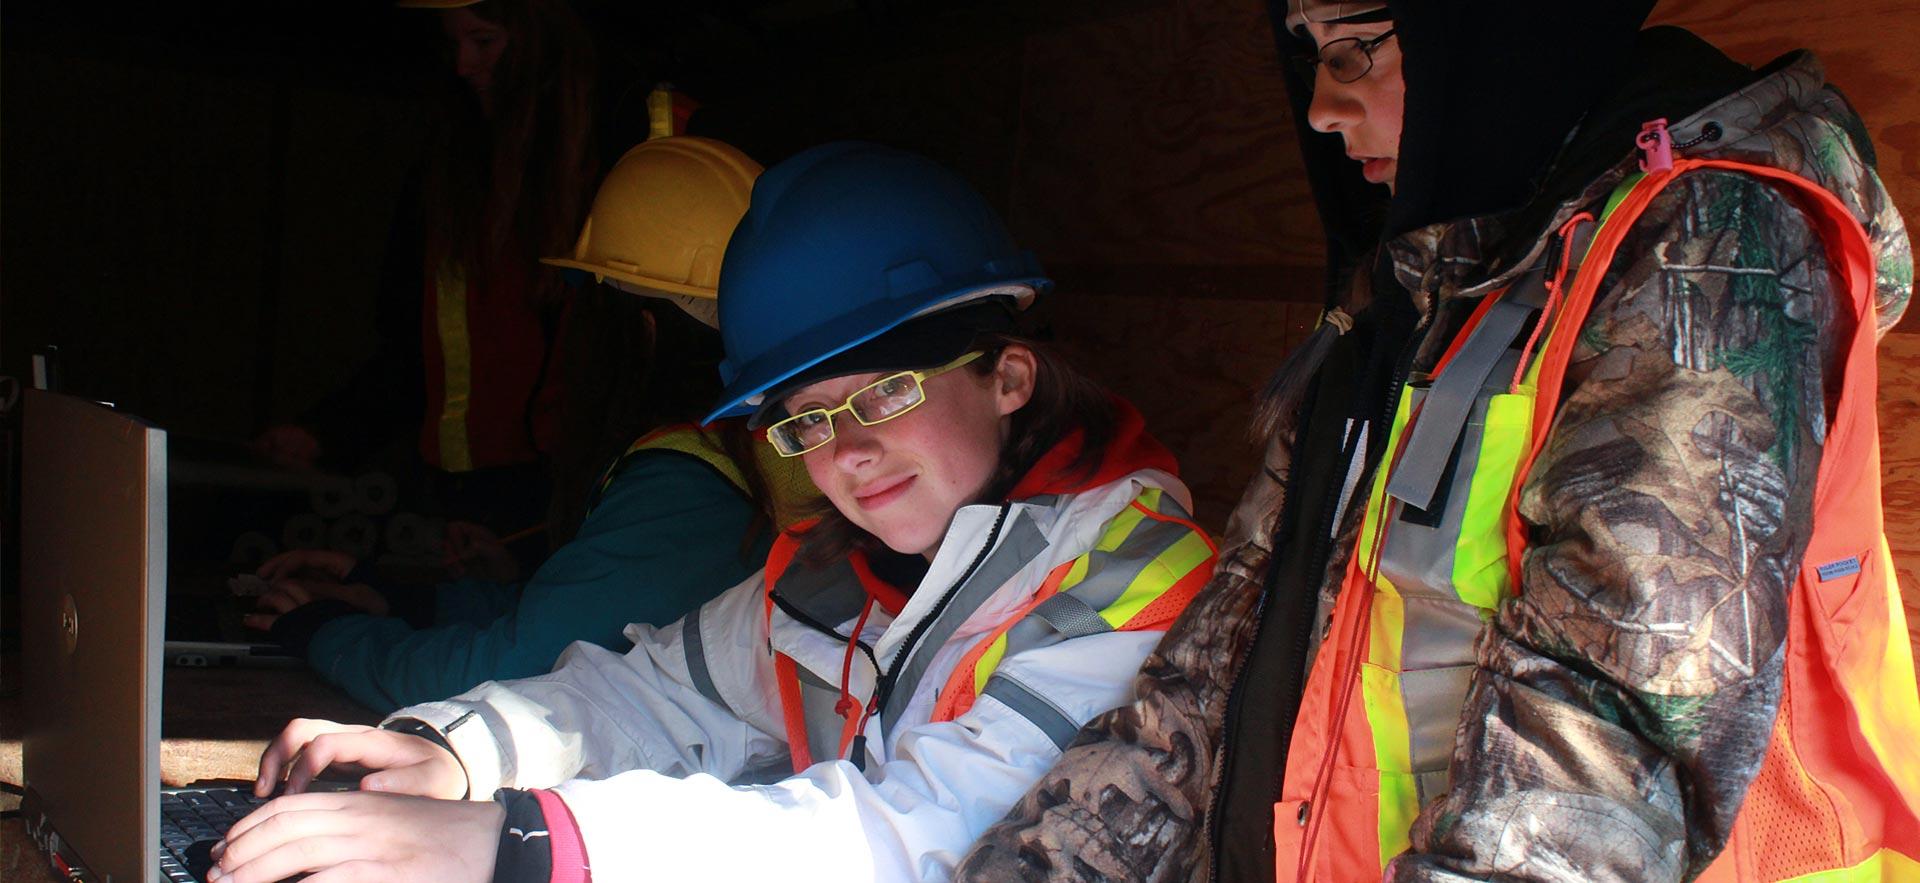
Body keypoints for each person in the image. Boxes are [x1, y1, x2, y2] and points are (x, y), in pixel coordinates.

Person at [960, 2, 1920, 881]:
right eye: (1308, 59)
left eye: (1354, 49)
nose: (1324, 110)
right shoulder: (1409, 295)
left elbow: (1604, 739)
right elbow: (1205, 685)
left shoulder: (1704, 240)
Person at [211, 143, 1218, 882]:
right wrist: (457, 752)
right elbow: (651, 695)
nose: (849, 451)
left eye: (886, 394)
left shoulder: (1135, 584)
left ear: (1009, 377)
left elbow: (934, 833)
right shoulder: (829, 571)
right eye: (805, 423)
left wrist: (525, 840)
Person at [240, 137, 819, 714]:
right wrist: (397, 597)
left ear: (640, 332)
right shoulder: (759, 448)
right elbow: (582, 615)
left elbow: (511, 674)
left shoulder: (686, 481)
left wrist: (325, 633)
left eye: (583, 313)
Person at [255, 0, 599, 549]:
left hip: (565, 501)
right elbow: (410, 353)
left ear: (541, 44)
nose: (463, 65)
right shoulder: (444, 179)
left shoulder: (606, 175)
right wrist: (326, 432)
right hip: (457, 495)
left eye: (483, 42)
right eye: (454, 44)